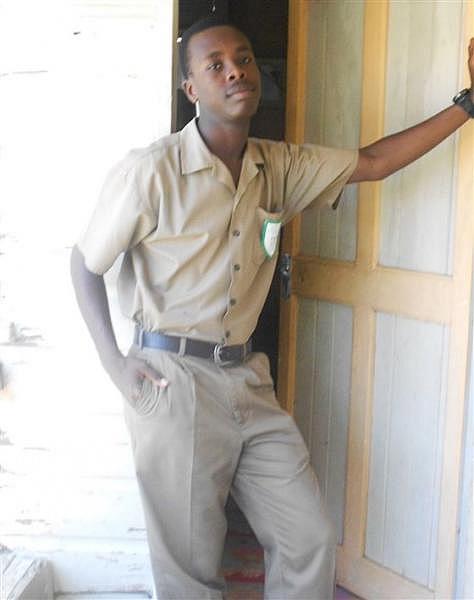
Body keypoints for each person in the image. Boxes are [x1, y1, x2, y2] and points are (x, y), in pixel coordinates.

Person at [70, 15, 474, 600]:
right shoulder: (151, 172)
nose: (236, 71)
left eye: (244, 59)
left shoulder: (275, 166)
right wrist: (115, 365)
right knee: (190, 567)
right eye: (216, 65)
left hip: (246, 380)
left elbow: (373, 162)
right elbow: (84, 265)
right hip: (172, 382)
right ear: (192, 90)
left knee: (307, 535)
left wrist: (467, 104)